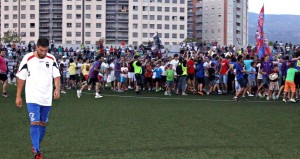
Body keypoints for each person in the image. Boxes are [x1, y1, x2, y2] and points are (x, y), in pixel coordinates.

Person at [15, 38, 61, 159]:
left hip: (46, 97)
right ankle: (37, 150)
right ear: (36, 47)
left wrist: (57, 89)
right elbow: (22, 78)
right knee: (34, 122)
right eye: (41, 50)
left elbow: (56, 76)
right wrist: (18, 96)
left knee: (43, 123)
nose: (44, 53)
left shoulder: (51, 58)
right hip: (32, 96)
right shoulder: (27, 58)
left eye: (46, 50)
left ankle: (36, 145)